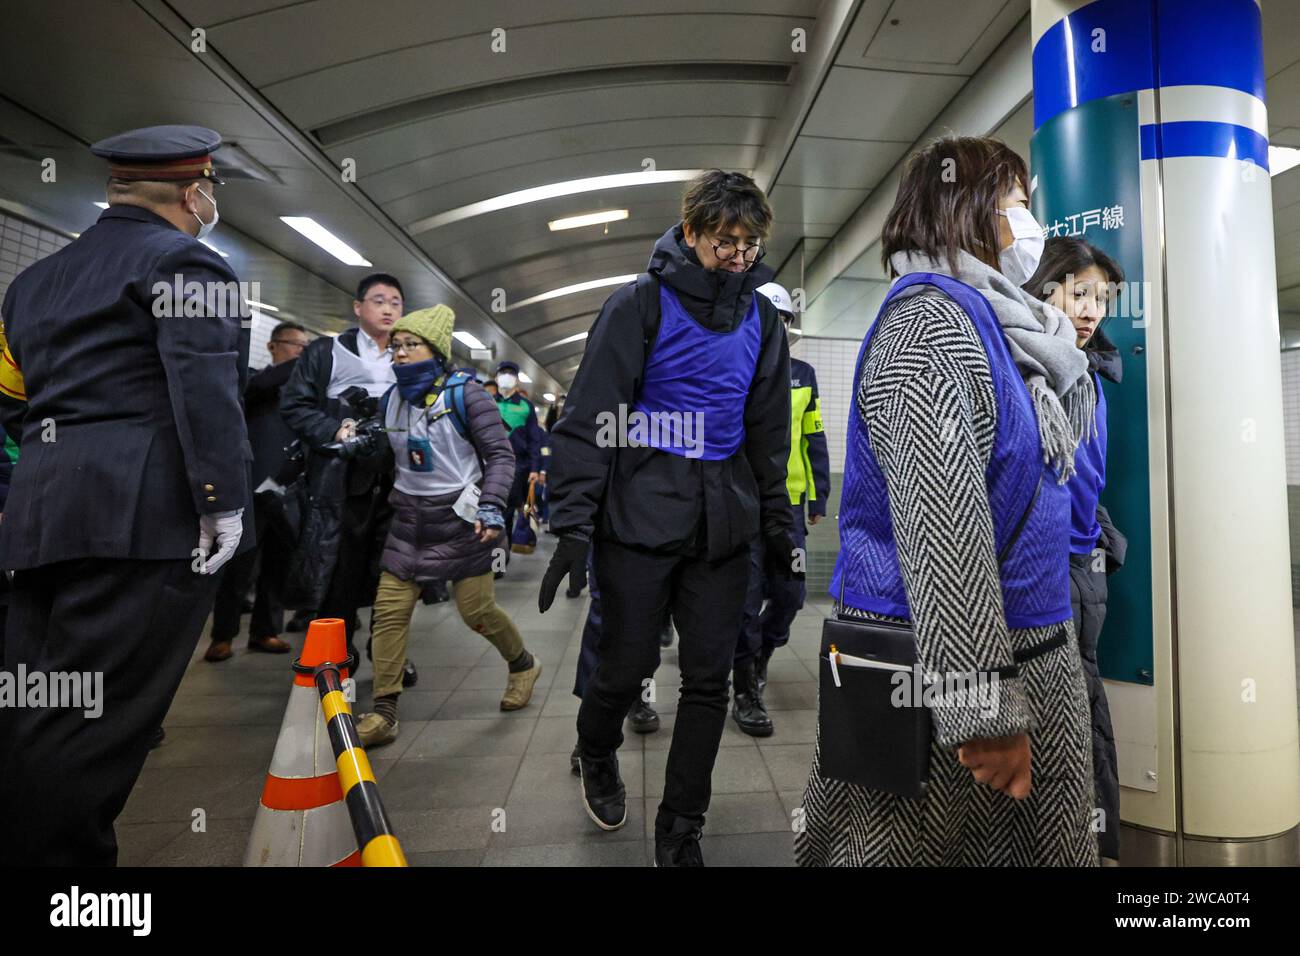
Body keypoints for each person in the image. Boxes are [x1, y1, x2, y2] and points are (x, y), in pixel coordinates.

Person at [796, 136, 1098, 867]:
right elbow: (942, 528)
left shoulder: (998, 324)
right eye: (1019, 206)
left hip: (1026, 650)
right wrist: (983, 708)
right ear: (968, 208)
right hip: (933, 673)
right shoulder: (928, 326)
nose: (1031, 227)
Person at [0, 126, 251, 865]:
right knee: (95, 726)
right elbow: (203, 388)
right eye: (210, 188)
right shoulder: (184, 262)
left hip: (41, 515)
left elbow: (12, 398)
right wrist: (221, 498)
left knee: (37, 703)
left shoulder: (32, 282)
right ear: (192, 189)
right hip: (139, 522)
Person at [542, 169, 798, 866]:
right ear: (690, 233)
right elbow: (591, 415)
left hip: (723, 522)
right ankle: (597, 748)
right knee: (625, 666)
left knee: (708, 680)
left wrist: (779, 525)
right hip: (642, 515)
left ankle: (681, 828)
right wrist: (571, 522)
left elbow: (768, 431)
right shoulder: (639, 306)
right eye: (724, 241)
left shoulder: (763, 320)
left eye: (749, 244)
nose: (738, 255)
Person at [356, 306, 542, 746]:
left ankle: (522, 665)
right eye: (395, 347)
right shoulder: (392, 399)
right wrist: (357, 441)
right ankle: (384, 710)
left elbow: (500, 454)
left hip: (460, 519)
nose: (399, 354)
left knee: (476, 611)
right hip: (408, 522)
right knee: (389, 613)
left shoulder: (468, 395)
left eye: (410, 346)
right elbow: (388, 457)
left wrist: (493, 505)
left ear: (435, 352)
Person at [1023, 237, 1127, 863]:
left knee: (1081, 714)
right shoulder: (1031, 372)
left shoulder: (1087, 381)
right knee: (1068, 722)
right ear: (1046, 287)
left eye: (1103, 300)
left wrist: (1097, 540)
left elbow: (1086, 476)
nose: (1091, 310)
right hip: (1046, 572)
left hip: (1083, 569)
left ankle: (1092, 846)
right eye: (1079, 293)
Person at [280, 273, 414, 687]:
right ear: (358, 308)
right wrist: (334, 430)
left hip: (397, 481)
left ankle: (388, 652)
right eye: (379, 300)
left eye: (395, 301)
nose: (389, 308)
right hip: (340, 482)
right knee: (340, 570)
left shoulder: (408, 354)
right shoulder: (327, 352)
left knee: (393, 573)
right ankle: (338, 656)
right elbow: (295, 404)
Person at [731, 282, 831, 737]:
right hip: (742, 504)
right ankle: (745, 686)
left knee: (790, 593)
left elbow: (813, 436)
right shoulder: (733, 368)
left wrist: (819, 494)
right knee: (746, 598)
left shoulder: (803, 374)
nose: (779, 327)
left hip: (789, 505)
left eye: (785, 320)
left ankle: (764, 652)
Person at [205, 321, 310, 661]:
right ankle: (222, 635)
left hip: (288, 488)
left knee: (279, 564)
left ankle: (265, 630)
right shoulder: (254, 379)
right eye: (296, 345)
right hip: (251, 487)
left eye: (306, 348)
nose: (301, 352)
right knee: (239, 565)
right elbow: (261, 386)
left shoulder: (305, 392)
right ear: (273, 346)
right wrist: (308, 361)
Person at [493, 359, 543, 570]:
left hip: (518, 466)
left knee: (509, 512)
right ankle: (493, 561)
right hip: (490, 465)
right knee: (494, 512)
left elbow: (534, 440)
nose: (506, 376)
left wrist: (535, 468)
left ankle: (500, 560)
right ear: (496, 377)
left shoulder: (525, 406)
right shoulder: (487, 401)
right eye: (502, 372)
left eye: (510, 373)